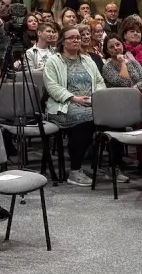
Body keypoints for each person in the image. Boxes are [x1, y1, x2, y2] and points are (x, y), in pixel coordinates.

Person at [44, 25, 108, 187]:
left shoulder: (88, 60)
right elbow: (53, 87)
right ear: (63, 42)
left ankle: (113, 167)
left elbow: (99, 82)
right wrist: (75, 98)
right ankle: (75, 169)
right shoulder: (54, 61)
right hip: (64, 105)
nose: (76, 40)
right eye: (72, 37)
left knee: (113, 117)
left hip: (91, 103)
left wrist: (96, 98)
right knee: (86, 119)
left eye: (78, 37)